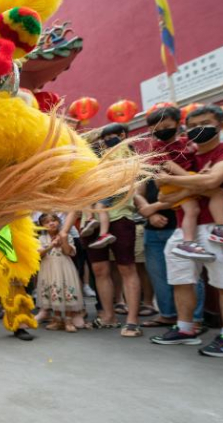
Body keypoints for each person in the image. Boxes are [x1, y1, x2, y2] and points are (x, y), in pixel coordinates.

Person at [152, 105, 223, 356]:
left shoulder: (221, 151)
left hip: (217, 226)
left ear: (220, 125)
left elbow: (213, 181)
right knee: (180, 277)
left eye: (205, 123)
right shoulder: (186, 154)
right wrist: (195, 184)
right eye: (192, 126)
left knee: (221, 281)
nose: (198, 130)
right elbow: (163, 195)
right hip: (185, 227)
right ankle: (185, 329)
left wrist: (174, 180)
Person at [66, 124, 144, 337]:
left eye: (109, 136)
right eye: (102, 137)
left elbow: (133, 183)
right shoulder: (86, 158)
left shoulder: (125, 153)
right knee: (99, 270)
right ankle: (108, 316)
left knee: (126, 268)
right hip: (89, 220)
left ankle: (132, 320)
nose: (103, 140)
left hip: (120, 215)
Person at [136, 106, 207, 331]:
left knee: (189, 274)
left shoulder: (190, 150)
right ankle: (167, 315)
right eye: (157, 128)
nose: (162, 131)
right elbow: (138, 192)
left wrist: (157, 206)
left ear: (178, 124)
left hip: (180, 220)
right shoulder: (150, 156)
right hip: (152, 226)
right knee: (160, 274)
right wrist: (148, 210)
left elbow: (199, 185)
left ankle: (194, 319)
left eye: (167, 126)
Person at [36, 214, 85, 332]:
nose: (51, 223)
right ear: (42, 226)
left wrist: (63, 241)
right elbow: (39, 254)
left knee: (66, 290)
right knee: (54, 291)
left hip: (65, 267)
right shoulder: (41, 239)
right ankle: (57, 319)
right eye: (47, 222)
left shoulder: (66, 236)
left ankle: (68, 320)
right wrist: (51, 245)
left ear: (59, 222)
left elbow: (68, 252)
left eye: (53, 220)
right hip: (49, 269)